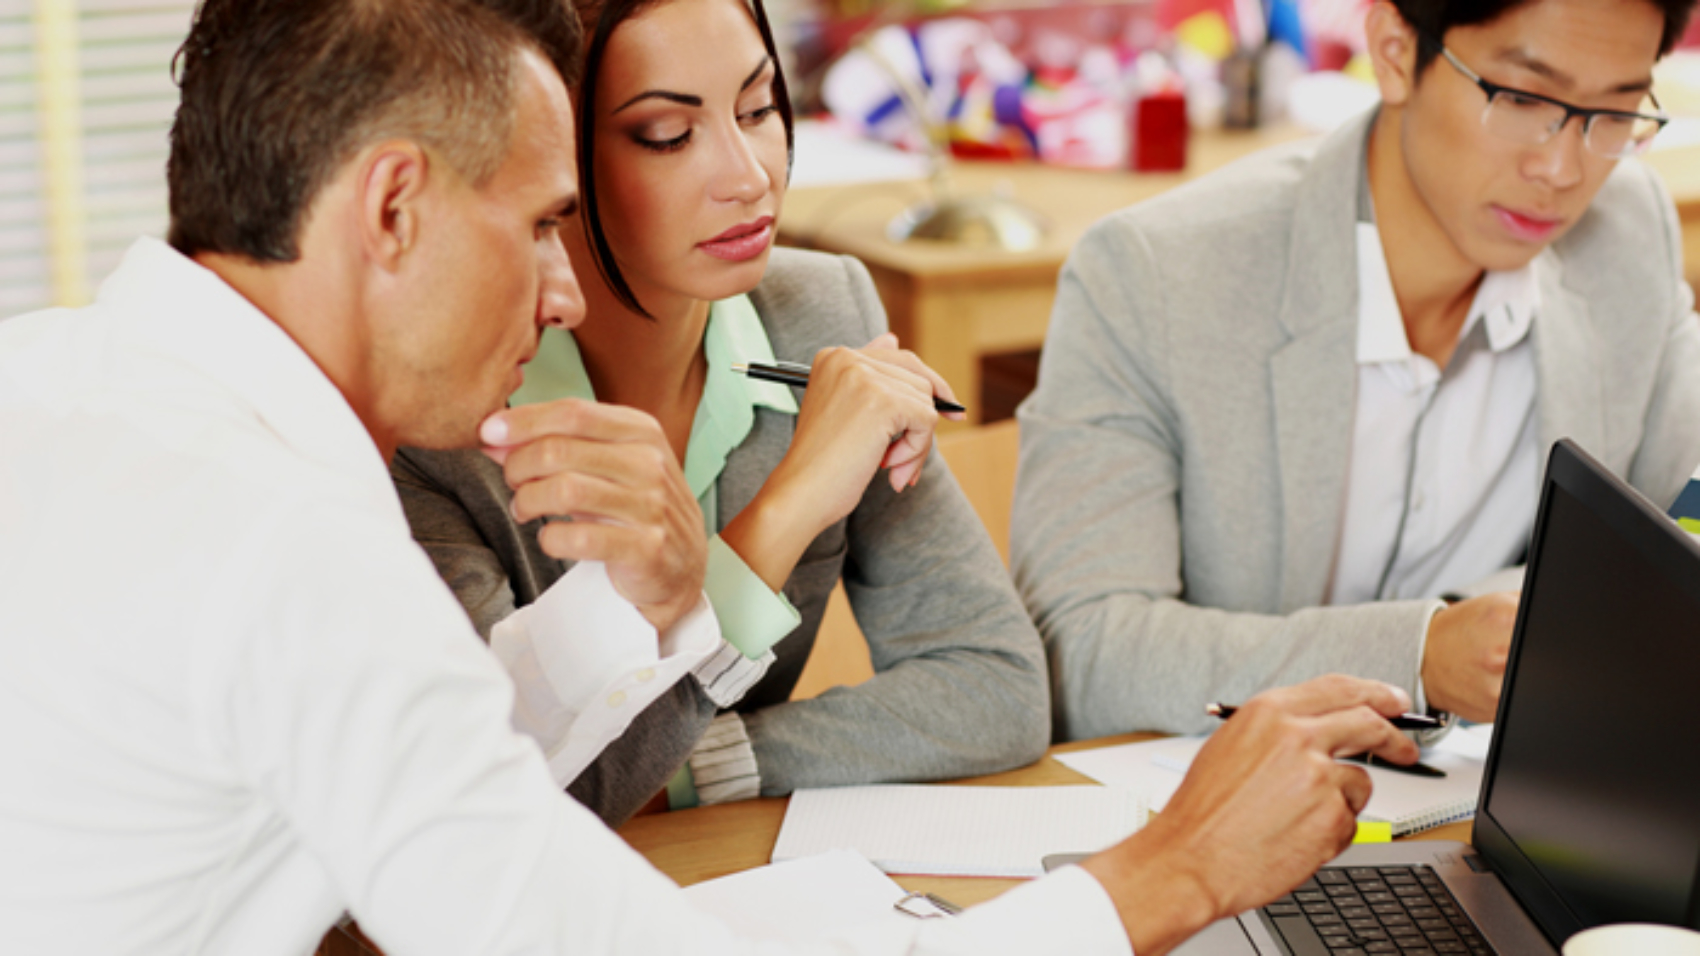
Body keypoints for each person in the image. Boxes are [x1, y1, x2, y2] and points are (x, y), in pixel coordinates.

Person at [0, 0, 1429, 952]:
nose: (562, 291)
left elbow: (432, 751)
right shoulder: (296, 543)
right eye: (548, 223)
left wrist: (646, 612)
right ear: (392, 207)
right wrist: (1162, 877)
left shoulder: (56, 379)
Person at [393, 0, 1048, 825]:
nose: (750, 177)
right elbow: (493, 801)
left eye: (759, 108)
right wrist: (789, 506)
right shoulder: (433, 422)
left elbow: (995, 684)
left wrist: (711, 764)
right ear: (546, 160)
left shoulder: (823, 314)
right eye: (668, 134)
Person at [1013, 0, 1700, 743]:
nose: (1561, 169)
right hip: (1217, 815)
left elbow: (1675, 538)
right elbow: (1081, 653)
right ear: (1395, 50)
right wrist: (1420, 656)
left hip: (1496, 817)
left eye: (1615, 111)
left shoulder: (1627, 231)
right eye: (1523, 99)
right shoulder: (1159, 275)